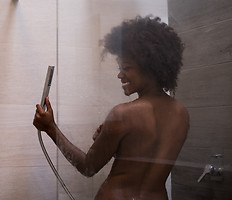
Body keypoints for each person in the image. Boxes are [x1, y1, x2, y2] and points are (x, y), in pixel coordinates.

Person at [33, 16, 189, 200]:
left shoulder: (124, 113)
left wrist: (50, 128)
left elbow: (88, 167)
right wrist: (115, 143)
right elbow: (143, 158)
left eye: (127, 68)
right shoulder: (181, 113)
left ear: (150, 67)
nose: (120, 74)